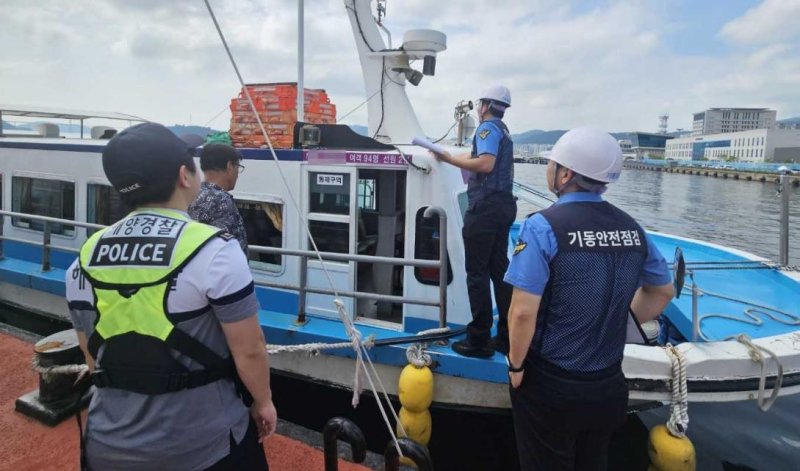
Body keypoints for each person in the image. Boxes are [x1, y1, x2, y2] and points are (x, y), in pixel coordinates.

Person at [65, 122, 276, 470]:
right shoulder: (215, 251)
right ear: (184, 175)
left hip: (107, 445)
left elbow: (94, 358)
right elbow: (250, 349)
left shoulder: (83, 260)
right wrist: (263, 402)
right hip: (205, 447)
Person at [503, 127, 675, 471]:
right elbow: (662, 291)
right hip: (609, 386)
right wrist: (613, 321)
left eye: (552, 164)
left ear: (566, 174)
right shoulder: (631, 228)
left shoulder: (541, 227)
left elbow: (522, 313)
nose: (549, 170)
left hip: (552, 384)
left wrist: (516, 365)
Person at [432, 84, 517, 358]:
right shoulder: (503, 131)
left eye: (481, 104)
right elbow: (473, 155)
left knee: (477, 274)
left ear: (486, 106)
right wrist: (446, 157)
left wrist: (450, 161)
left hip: (485, 209)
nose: (479, 109)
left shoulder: (487, 129)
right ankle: (506, 338)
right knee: (499, 272)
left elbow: (485, 163)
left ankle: (478, 340)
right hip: (504, 206)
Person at [188, 143, 248, 253]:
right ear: (229, 166)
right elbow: (226, 247)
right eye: (237, 167)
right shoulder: (221, 200)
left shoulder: (193, 194)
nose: (237, 174)